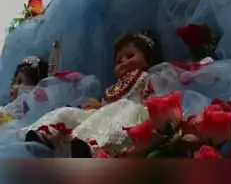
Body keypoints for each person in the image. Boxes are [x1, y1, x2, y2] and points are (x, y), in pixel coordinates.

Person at [23, 31, 161, 158]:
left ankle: (88, 148)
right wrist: (97, 106)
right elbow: (105, 105)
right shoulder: (113, 87)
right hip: (104, 113)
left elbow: (152, 97)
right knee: (70, 113)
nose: (124, 61)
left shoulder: (145, 77)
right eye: (119, 61)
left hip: (129, 114)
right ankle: (49, 136)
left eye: (130, 56)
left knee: (119, 112)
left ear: (147, 59)